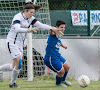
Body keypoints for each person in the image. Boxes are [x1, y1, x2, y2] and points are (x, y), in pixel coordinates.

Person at [0, 2, 62, 88]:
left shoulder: (30, 18)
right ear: (25, 11)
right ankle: (12, 83)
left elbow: (41, 25)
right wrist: (29, 30)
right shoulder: (17, 17)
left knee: (14, 66)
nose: (32, 14)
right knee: (20, 63)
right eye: (31, 12)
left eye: (33, 12)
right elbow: (17, 29)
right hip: (12, 43)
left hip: (20, 44)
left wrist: (53, 28)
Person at [43, 20, 71, 87]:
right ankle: (58, 84)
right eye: (61, 27)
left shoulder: (59, 34)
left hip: (57, 55)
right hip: (50, 58)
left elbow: (58, 41)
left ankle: (63, 80)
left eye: (64, 27)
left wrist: (63, 45)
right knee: (61, 71)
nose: (63, 29)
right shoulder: (54, 32)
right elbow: (52, 32)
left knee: (67, 67)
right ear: (57, 27)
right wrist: (53, 30)